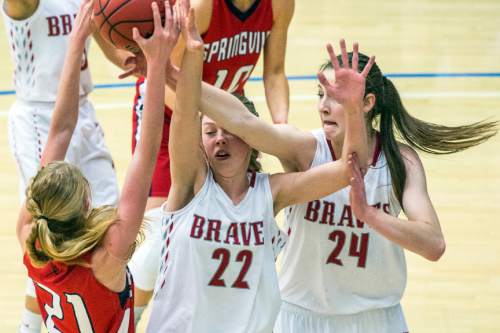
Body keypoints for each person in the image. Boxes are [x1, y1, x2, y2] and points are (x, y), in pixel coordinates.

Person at [192, 42, 499, 332]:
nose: (324, 106)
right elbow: (244, 122)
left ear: (366, 103)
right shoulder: (304, 148)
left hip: (376, 318)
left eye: (336, 97)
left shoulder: (399, 161)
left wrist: (371, 215)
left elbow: (434, 244)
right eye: (320, 94)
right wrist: (172, 74)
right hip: (300, 316)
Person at [146, 4, 371, 332]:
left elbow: (348, 170)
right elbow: (183, 113)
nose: (220, 140)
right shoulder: (189, 186)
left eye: (231, 132)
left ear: (251, 140)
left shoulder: (271, 192)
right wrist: (192, 53)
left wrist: (352, 110)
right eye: (210, 132)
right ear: (199, 143)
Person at [126, 0, 295, 322]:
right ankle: (128, 315)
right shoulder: (203, 8)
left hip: (226, 125)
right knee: (162, 229)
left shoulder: (280, 5)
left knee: (220, 222)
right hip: (171, 117)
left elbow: (274, 72)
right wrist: (199, 131)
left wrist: (280, 128)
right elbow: (167, 79)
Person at [16, 1, 178, 332]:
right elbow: (146, 155)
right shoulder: (108, 253)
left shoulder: (30, 236)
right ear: (88, 204)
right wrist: (157, 64)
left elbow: (60, 130)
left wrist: (74, 44)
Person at [1, 0, 131, 331]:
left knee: (109, 222)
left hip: (81, 112)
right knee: (44, 238)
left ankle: (103, 310)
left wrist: (142, 56)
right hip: (39, 119)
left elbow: (112, 45)